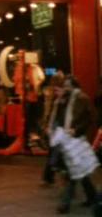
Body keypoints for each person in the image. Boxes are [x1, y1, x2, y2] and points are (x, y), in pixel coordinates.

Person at [46, 76, 98, 214]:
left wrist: (77, 129)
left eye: (58, 89)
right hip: (66, 140)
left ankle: (65, 203)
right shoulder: (61, 101)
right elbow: (58, 118)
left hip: (75, 140)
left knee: (73, 172)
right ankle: (94, 198)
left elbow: (90, 117)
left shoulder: (79, 98)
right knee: (80, 172)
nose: (56, 93)